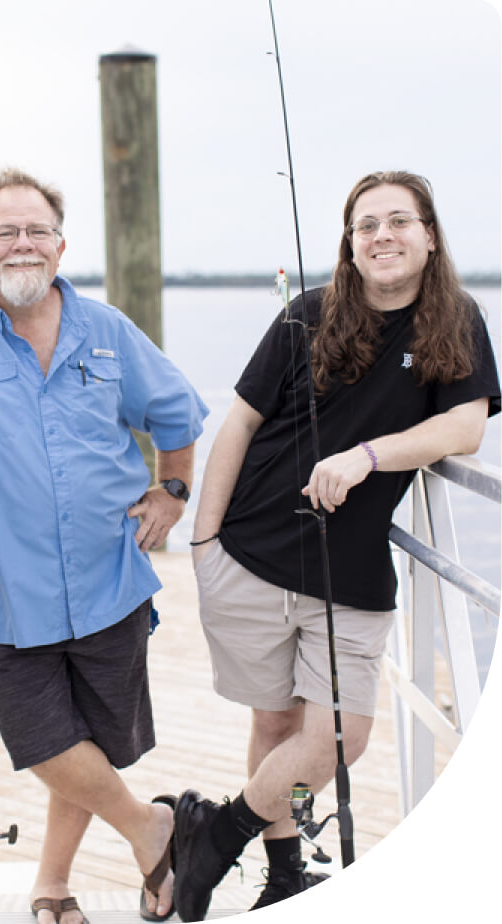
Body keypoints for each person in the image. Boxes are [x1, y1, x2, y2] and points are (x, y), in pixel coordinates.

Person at [172, 170, 501, 919]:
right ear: (349, 244)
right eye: (364, 226)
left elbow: (464, 426)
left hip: (349, 570)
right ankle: (283, 876)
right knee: (276, 726)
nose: (381, 236)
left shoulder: (455, 320)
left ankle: (215, 833)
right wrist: (202, 542)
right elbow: (240, 425)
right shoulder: (308, 315)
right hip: (248, 554)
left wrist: (366, 456)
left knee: (339, 738)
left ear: (428, 234)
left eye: (397, 221)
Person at [0, 168, 208, 924]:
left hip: (111, 575)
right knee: (41, 743)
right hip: (11, 590)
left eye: (36, 230)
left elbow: (177, 413)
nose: (22, 243)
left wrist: (173, 493)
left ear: (61, 246)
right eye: (5, 231)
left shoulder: (108, 331)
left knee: (95, 744)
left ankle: (52, 885)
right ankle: (152, 829)